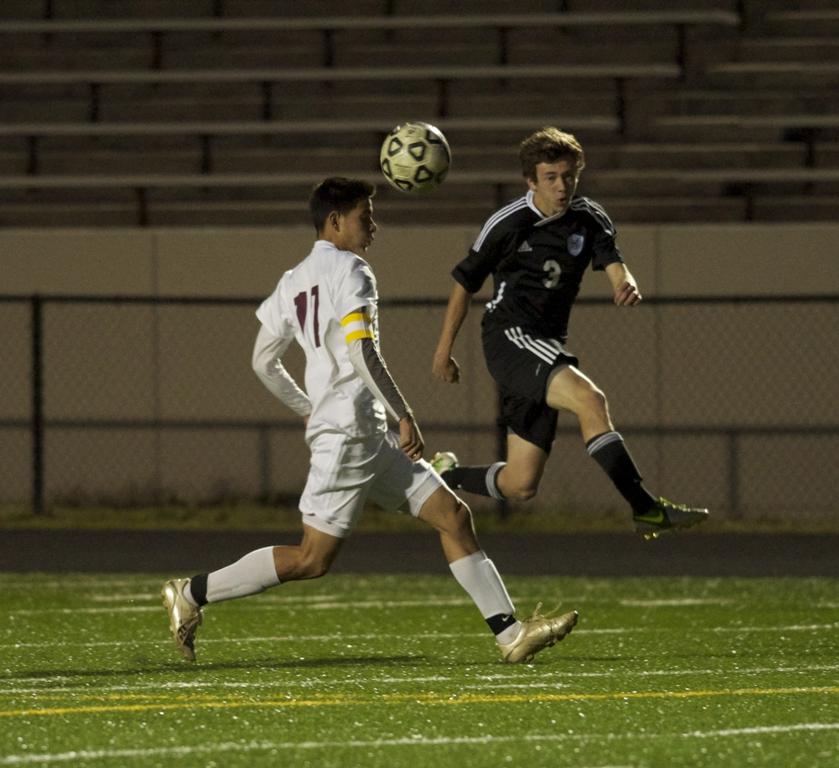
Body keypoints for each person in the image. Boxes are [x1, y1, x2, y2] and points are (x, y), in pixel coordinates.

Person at [162, 176, 577, 664]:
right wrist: (405, 414)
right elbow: (361, 351)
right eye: (366, 216)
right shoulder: (352, 270)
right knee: (311, 560)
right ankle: (190, 593)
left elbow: (262, 361)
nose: (373, 225)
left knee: (453, 516)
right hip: (349, 437)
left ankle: (511, 636)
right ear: (335, 222)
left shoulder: (293, 280)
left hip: (363, 434)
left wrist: (308, 408)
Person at [430, 127, 708, 539]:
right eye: (551, 178)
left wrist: (623, 282)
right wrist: (443, 351)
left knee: (520, 484)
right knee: (590, 400)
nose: (562, 187)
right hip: (510, 337)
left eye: (569, 177)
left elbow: (613, 260)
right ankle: (646, 508)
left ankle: (445, 475)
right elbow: (464, 284)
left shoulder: (589, 217)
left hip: (544, 345)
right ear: (531, 180)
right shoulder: (507, 224)